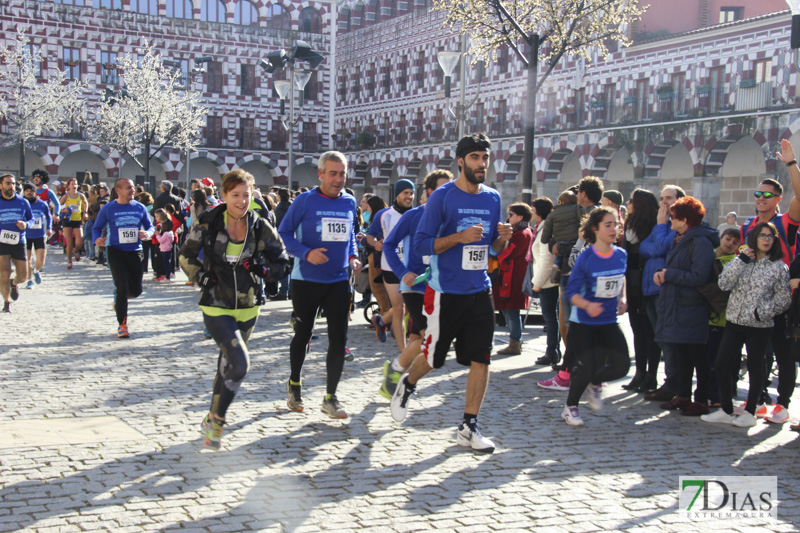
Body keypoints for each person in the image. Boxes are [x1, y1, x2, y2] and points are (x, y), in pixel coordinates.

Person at [390, 133, 512, 454]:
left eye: (485, 158)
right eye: (475, 158)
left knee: (482, 357)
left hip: (480, 288)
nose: (482, 164)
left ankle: (468, 426)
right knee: (434, 357)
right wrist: (458, 237)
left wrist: (504, 239)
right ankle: (408, 384)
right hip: (446, 292)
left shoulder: (492, 198)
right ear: (461, 161)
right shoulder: (442, 198)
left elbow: (493, 249)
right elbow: (421, 244)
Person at [179, 169, 289, 450]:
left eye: (246, 195)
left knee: (227, 364)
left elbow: (283, 261)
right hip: (216, 304)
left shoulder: (259, 225)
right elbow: (185, 255)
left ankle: (210, 416)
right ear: (224, 194)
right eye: (235, 195)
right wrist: (200, 276)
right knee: (239, 363)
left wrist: (264, 270)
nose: (242, 201)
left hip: (249, 305)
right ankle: (217, 420)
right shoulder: (209, 221)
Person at [278, 151, 362, 419]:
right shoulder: (305, 200)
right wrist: (306, 253)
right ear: (321, 174)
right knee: (303, 334)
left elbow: (349, 235)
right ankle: (294, 384)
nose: (338, 179)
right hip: (306, 281)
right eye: (333, 173)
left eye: (342, 174)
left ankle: (330, 397)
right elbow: (284, 232)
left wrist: (353, 256)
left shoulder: (349, 201)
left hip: (338, 281)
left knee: (339, 340)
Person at [702, 222, 791, 427]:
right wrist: (740, 261)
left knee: (756, 367)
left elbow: (784, 299)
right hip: (734, 322)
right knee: (722, 364)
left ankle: (751, 411)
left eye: (770, 236)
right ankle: (725, 409)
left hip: (759, 325)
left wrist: (762, 312)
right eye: (762, 235)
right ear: (754, 239)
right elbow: (724, 284)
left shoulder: (779, 267)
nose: (766, 239)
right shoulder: (741, 260)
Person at [738, 138, 800, 424]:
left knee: (784, 352)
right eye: (757, 193)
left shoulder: (786, 222)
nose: (761, 197)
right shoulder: (747, 227)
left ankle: (783, 404)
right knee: (757, 354)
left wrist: (790, 163)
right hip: (753, 300)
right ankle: (759, 399)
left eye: (767, 194)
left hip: (783, 297)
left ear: (778, 199)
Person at [379, 170, 452, 399]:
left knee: (417, 340)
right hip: (416, 286)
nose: (449, 193)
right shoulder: (413, 216)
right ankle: (396, 372)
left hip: (441, 287)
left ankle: (398, 377)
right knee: (426, 338)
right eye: (443, 189)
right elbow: (389, 245)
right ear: (430, 192)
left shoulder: (451, 217)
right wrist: (402, 272)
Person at [561, 207, 629, 426]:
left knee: (622, 366)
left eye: (615, 225)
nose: (613, 229)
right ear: (595, 229)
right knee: (586, 366)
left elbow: (621, 278)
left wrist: (622, 298)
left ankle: (596, 382)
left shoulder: (620, 254)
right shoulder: (586, 258)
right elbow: (571, 292)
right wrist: (588, 305)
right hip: (584, 323)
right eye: (607, 225)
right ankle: (570, 408)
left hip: (609, 320)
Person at [653, 196, 719, 416]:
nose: (671, 220)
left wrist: (669, 274)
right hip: (677, 305)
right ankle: (682, 395)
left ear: (684, 219)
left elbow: (699, 276)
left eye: (673, 216)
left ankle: (701, 400)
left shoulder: (700, 242)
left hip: (691, 308)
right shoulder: (680, 238)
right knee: (682, 354)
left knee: (697, 355)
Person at [538, 176, 604, 390]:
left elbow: (586, 248)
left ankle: (577, 371)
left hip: (578, 275)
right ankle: (579, 370)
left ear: (583, 193)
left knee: (574, 325)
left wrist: (560, 248)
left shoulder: (594, 215)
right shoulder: (587, 213)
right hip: (577, 273)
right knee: (573, 325)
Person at [639, 185, 686, 400]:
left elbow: (663, 248)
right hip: (650, 287)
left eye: (669, 198)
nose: (664, 202)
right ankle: (665, 381)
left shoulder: (677, 225)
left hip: (665, 289)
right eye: (662, 198)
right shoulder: (661, 225)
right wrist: (658, 240)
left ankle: (673, 384)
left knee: (668, 339)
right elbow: (644, 248)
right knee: (658, 337)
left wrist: (659, 229)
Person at [92, 178, 154, 338]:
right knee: (122, 287)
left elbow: (150, 226)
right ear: (118, 190)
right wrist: (97, 239)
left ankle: (119, 297)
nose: (132, 191)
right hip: (115, 250)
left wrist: (148, 234)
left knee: (135, 290)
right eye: (129, 188)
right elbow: (97, 227)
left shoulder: (140, 207)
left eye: (133, 188)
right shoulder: (108, 208)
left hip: (135, 252)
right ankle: (122, 325)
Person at [367, 179, 416, 351]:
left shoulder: (417, 214)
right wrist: (376, 244)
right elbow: (370, 236)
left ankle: (381, 320)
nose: (409, 197)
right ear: (397, 194)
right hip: (390, 266)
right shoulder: (383, 214)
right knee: (399, 308)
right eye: (405, 193)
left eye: (411, 193)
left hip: (411, 267)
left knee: (409, 307)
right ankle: (404, 351)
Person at [620, 189, 660, 392]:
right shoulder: (629, 226)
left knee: (650, 331)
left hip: (645, 283)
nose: (628, 203)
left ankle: (651, 376)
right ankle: (639, 373)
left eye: (631, 200)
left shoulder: (653, 227)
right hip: (632, 283)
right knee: (637, 330)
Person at [493, 202, 534, 355]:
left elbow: (506, 253)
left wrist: (499, 248)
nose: (508, 218)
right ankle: (514, 341)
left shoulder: (523, 233)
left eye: (511, 215)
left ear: (520, 217)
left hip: (513, 277)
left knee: (511, 311)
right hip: (509, 276)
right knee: (508, 310)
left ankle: (515, 343)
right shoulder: (520, 231)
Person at [530, 197, 561, 367]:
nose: (532, 214)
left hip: (547, 281)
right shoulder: (542, 228)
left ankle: (552, 351)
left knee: (550, 318)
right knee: (551, 317)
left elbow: (546, 260)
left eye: (533, 210)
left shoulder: (545, 230)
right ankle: (553, 350)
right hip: (547, 279)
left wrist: (538, 282)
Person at [0, 174, 33, 313]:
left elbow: (31, 219)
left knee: (23, 276)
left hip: (19, 241)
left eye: (13, 183)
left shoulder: (23, 202)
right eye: (7, 183)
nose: (11, 186)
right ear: (1, 185)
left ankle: (14, 283)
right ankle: (6, 302)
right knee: (4, 272)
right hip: (2, 241)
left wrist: (25, 224)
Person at [22, 183, 52, 289]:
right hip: (26, 235)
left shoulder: (41, 204)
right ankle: (29, 281)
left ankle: (35, 271)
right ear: (24, 192)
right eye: (27, 191)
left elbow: (49, 216)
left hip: (39, 235)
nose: (29, 193)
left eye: (31, 191)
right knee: (28, 260)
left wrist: (49, 227)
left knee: (41, 261)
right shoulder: (21, 203)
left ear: (35, 192)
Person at [59, 177, 88, 269]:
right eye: (72, 184)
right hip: (67, 220)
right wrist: (65, 210)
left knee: (80, 241)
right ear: (69, 186)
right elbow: (57, 207)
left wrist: (85, 212)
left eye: (75, 184)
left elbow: (85, 202)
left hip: (77, 220)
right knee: (69, 242)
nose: (74, 186)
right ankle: (69, 262)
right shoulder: (66, 196)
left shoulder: (80, 195)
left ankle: (75, 250)